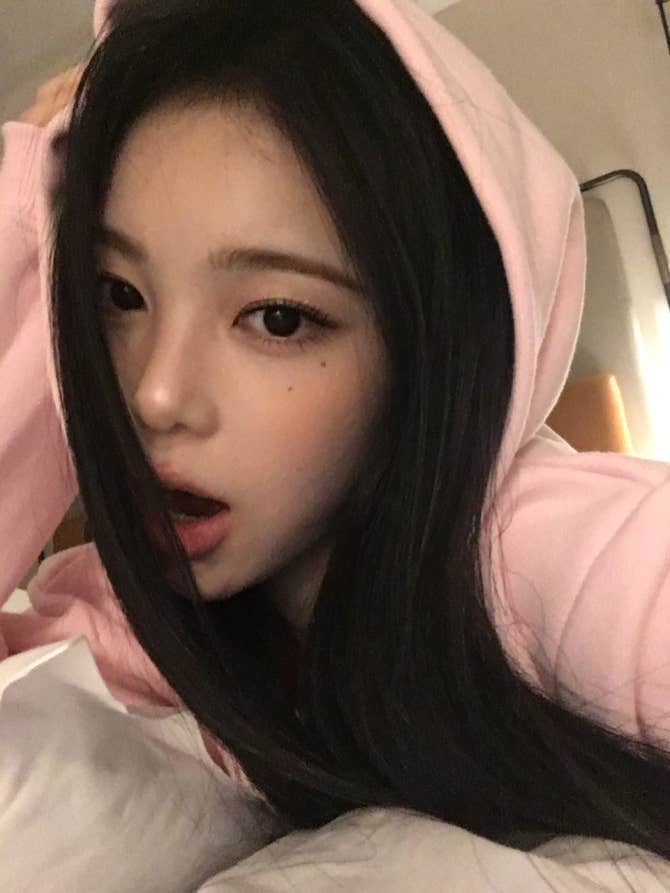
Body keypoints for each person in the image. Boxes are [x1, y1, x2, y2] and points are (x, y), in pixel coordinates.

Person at [4, 0, 670, 866]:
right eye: (117, 295)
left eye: (278, 317)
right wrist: (25, 218)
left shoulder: (554, 552)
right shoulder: (105, 617)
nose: (155, 395)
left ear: (425, 351)